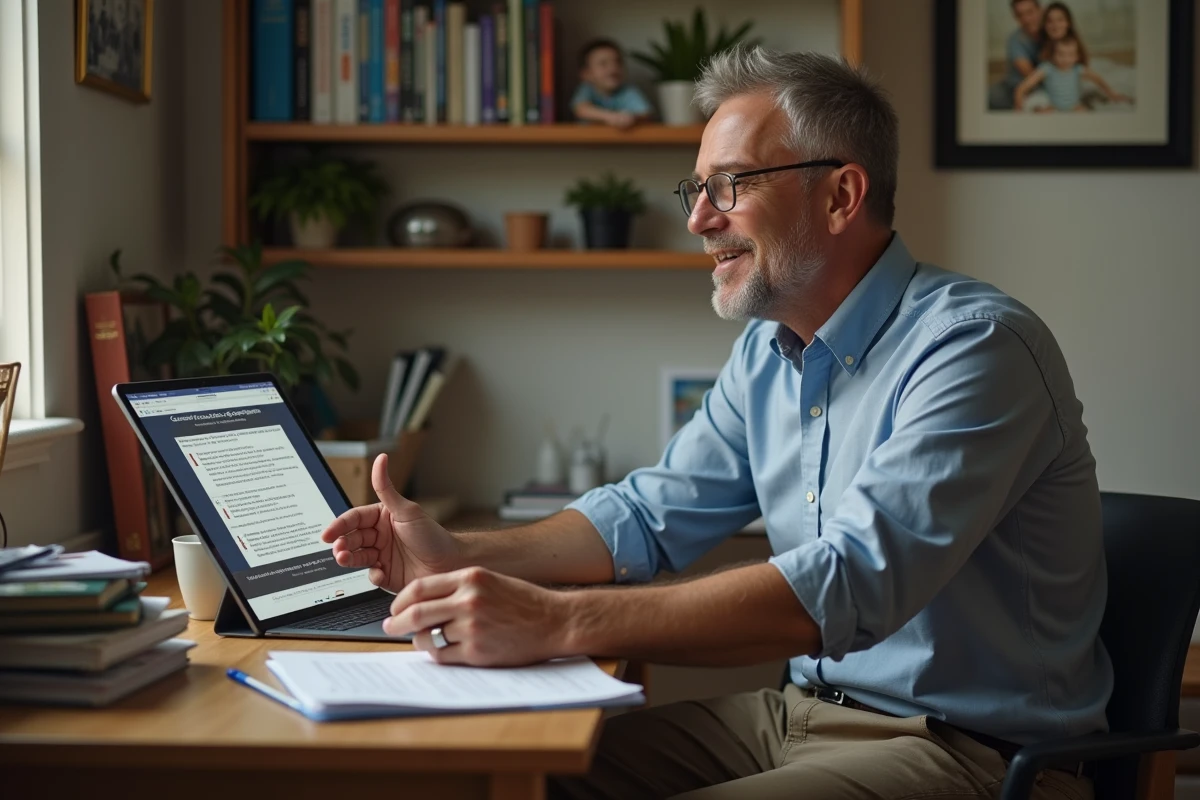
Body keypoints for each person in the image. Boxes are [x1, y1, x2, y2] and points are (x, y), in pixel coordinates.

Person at [322, 47, 1110, 799]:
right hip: (800, 716)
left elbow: (845, 586)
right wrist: (458, 554)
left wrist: (554, 619)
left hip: (970, 756)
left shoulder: (974, 346)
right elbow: (647, 518)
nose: (699, 218)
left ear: (840, 196)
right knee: (493, 781)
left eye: (730, 185)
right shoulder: (770, 351)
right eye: (695, 188)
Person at [1016, 33, 1131, 112]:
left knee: (1085, 115)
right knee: (1042, 113)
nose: (1065, 59)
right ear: (1053, 55)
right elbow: (1024, 86)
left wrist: (1111, 93)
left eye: (1070, 55)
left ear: (1076, 57)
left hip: (1074, 107)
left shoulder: (1077, 69)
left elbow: (1097, 79)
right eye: (1061, 54)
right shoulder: (1047, 68)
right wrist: (1019, 104)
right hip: (1054, 107)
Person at [570, 39, 653, 129]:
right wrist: (611, 117)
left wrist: (630, 118)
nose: (613, 68)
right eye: (603, 64)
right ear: (586, 74)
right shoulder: (586, 89)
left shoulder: (628, 91)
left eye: (618, 62)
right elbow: (581, 110)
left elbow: (645, 114)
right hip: (589, 140)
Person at [987, 0, 1042, 110]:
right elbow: (1030, 75)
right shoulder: (1015, 40)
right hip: (1015, 87)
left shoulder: (1051, 32)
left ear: (1040, 10)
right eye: (1020, 15)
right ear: (1015, 17)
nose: (1026, 19)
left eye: (1030, 12)